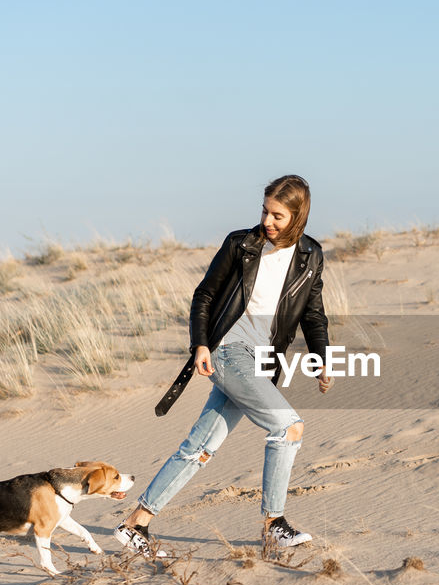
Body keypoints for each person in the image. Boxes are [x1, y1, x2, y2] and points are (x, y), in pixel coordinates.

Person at [116, 174, 332, 555]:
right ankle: (273, 523)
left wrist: (321, 358)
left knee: (201, 446)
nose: (267, 221)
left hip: (262, 361)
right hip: (227, 350)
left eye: (278, 215)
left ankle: (136, 524)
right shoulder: (241, 244)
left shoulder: (310, 256)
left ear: (298, 217)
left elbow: (313, 315)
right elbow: (206, 294)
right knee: (289, 428)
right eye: (265, 211)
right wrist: (200, 343)